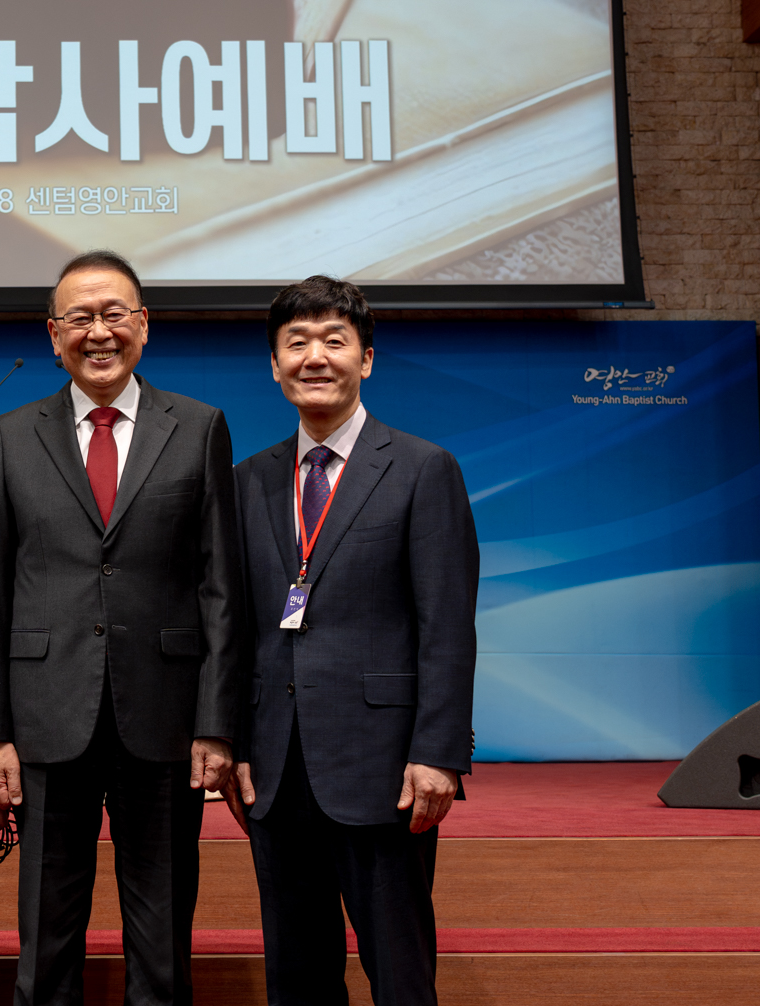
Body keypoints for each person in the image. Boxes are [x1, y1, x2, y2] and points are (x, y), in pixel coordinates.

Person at [0, 250, 242, 1006]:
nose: (99, 332)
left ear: (143, 325)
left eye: (114, 314)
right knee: (46, 934)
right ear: (53, 334)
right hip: (45, 716)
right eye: (80, 318)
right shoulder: (10, 435)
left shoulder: (199, 427)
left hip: (165, 716)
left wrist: (216, 724)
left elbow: (220, 588)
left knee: (162, 937)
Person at [224, 277, 479, 1006]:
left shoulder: (422, 468)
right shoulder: (247, 481)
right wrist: (234, 742)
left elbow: (446, 625)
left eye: (334, 341)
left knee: (399, 972)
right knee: (296, 974)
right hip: (275, 769)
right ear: (275, 366)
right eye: (296, 343)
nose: (315, 357)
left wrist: (438, 753)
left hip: (385, 768)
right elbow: (234, 627)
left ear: (365, 359)